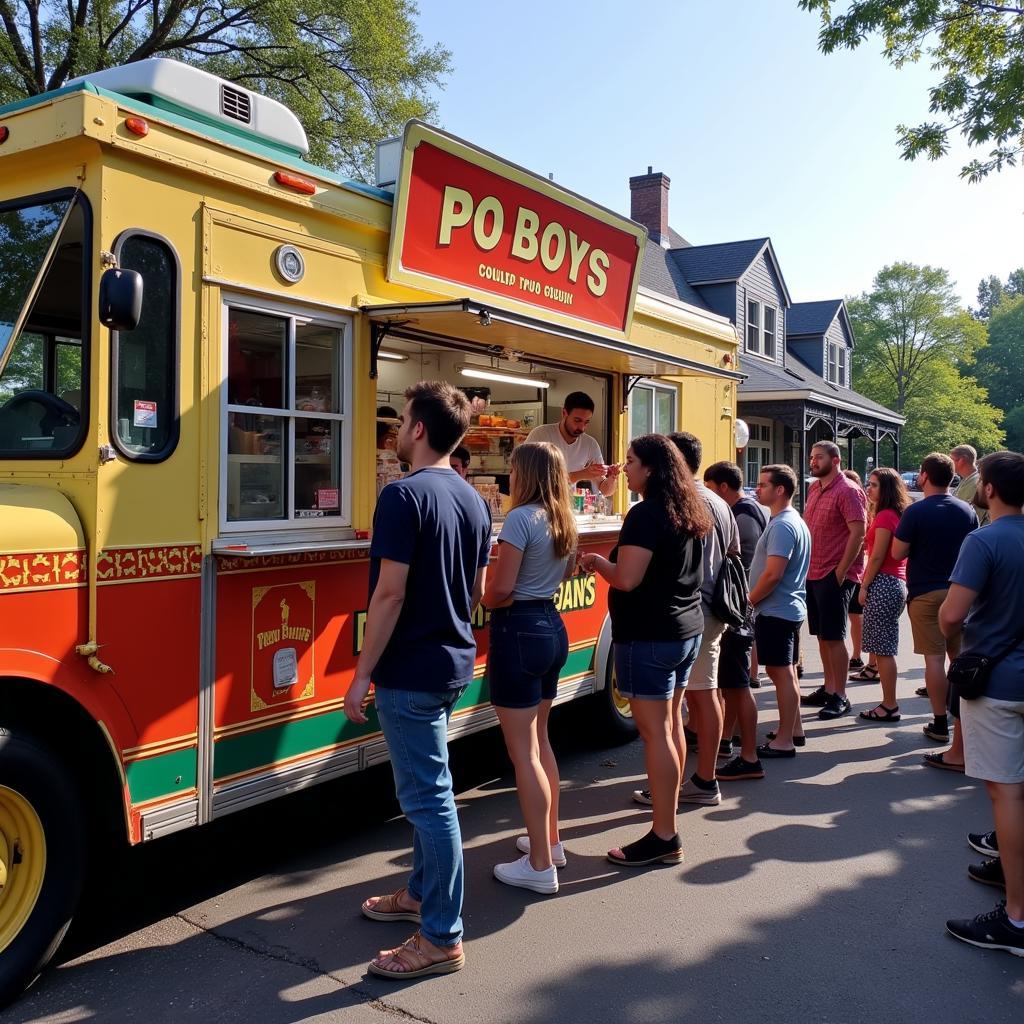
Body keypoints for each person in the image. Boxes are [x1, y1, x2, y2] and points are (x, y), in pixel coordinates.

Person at [343, 381, 492, 980]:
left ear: (420, 430)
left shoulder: (402, 497)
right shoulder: (474, 500)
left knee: (430, 803)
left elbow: (389, 592)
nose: (397, 429)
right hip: (453, 662)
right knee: (434, 792)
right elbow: (479, 594)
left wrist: (360, 675)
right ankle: (416, 896)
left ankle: (440, 937)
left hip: (411, 669)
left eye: (402, 420)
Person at [579, 434, 710, 866]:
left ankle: (664, 834)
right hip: (684, 630)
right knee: (671, 727)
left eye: (632, 461)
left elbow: (628, 578)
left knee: (656, 735)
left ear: (651, 469)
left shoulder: (645, 515)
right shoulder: (689, 510)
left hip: (650, 635)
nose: (626, 468)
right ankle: (666, 825)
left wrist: (596, 563)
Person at [939, 451, 1024, 956]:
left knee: (1007, 794)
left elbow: (951, 614)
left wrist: (957, 634)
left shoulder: (984, 539)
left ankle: (1016, 919)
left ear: (989, 488)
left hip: (997, 681)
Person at [483, 442, 576, 895]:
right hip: (551, 625)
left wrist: (481, 595)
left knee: (523, 754)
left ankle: (539, 864)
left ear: (525, 474)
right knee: (541, 741)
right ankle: (550, 841)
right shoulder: (562, 518)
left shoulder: (520, 519)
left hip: (518, 628)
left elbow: (500, 589)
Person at [667, 432, 740, 806]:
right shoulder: (720, 502)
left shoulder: (681, 502)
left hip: (688, 610)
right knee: (704, 694)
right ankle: (704, 778)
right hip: (716, 607)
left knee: (679, 700)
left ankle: (679, 785)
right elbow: (733, 552)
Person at [892, 453, 978, 770]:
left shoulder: (916, 512)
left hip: (925, 590)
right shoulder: (966, 510)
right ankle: (965, 725)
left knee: (933, 659)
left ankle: (940, 722)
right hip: (959, 590)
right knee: (960, 658)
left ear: (925, 476)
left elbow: (898, 551)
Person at [703, 460, 768, 772]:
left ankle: (750, 757)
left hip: (734, 607)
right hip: (739, 604)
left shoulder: (740, 515)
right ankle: (727, 740)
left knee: (738, 686)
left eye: (710, 488)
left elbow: (734, 564)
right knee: (730, 684)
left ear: (723, 487)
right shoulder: (751, 510)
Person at [746, 465, 812, 758]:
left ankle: (784, 740)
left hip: (777, 609)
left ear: (780, 490)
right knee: (787, 673)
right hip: (786, 607)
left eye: (763, 485)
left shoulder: (784, 524)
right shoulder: (789, 520)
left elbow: (773, 574)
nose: (757, 489)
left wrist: (749, 601)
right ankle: (793, 730)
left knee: (780, 672)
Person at [799, 441, 866, 720]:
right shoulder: (815, 488)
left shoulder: (849, 491)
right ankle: (828, 688)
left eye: (819, 457)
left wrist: (840, 572)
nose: (813, 462)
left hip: (834, 574)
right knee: (823, 636)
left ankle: (841, 695)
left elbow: (859, 532)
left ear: (835, 460)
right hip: (813, 571)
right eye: (812, 457)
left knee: (835, 637)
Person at [856, 468, 911, 724]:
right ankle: (888, 703)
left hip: (885, 582)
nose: (869, 488)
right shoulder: (892, 514)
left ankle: (889, 705)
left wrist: (865, 585)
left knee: (884, 649)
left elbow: (877, 556)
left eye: (874, 485)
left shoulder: (887, 516)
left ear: (886, 489)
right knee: (883, 648)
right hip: (893, 583)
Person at [525, 391, 620, 496]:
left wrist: (612, 477)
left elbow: (606, 491)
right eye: (577, 420)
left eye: (586, 422)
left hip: (568, 507)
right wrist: (582, 474)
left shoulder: (590, 444)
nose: (582, 428)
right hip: (537, 505)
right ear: (564, 413)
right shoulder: (541, 434)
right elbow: (528, 477)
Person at [842, 469, 868, 675]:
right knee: (852, 615)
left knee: (855, 614)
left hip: (856, 568)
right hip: (849, 566)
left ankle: (857, 654)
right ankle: (854, 654)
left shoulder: (862, 506)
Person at [952, 444, 990, 527]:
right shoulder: (968, 479)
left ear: (961, 460)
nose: (950, 463)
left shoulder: (976, 482)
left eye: (952, 459)